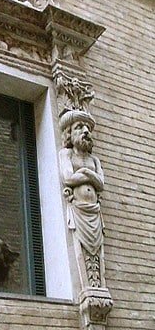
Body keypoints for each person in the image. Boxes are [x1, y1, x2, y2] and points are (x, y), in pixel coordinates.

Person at [59, 110, 104, 259]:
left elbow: (100, 184)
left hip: (94, 210)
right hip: (78, 210)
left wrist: (85, 172)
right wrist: (91, 175)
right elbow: (69, 178)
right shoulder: (67, 154)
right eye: (79, 127)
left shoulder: (94, 160)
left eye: (88, 128)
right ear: (69, 133)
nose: (86, 131)